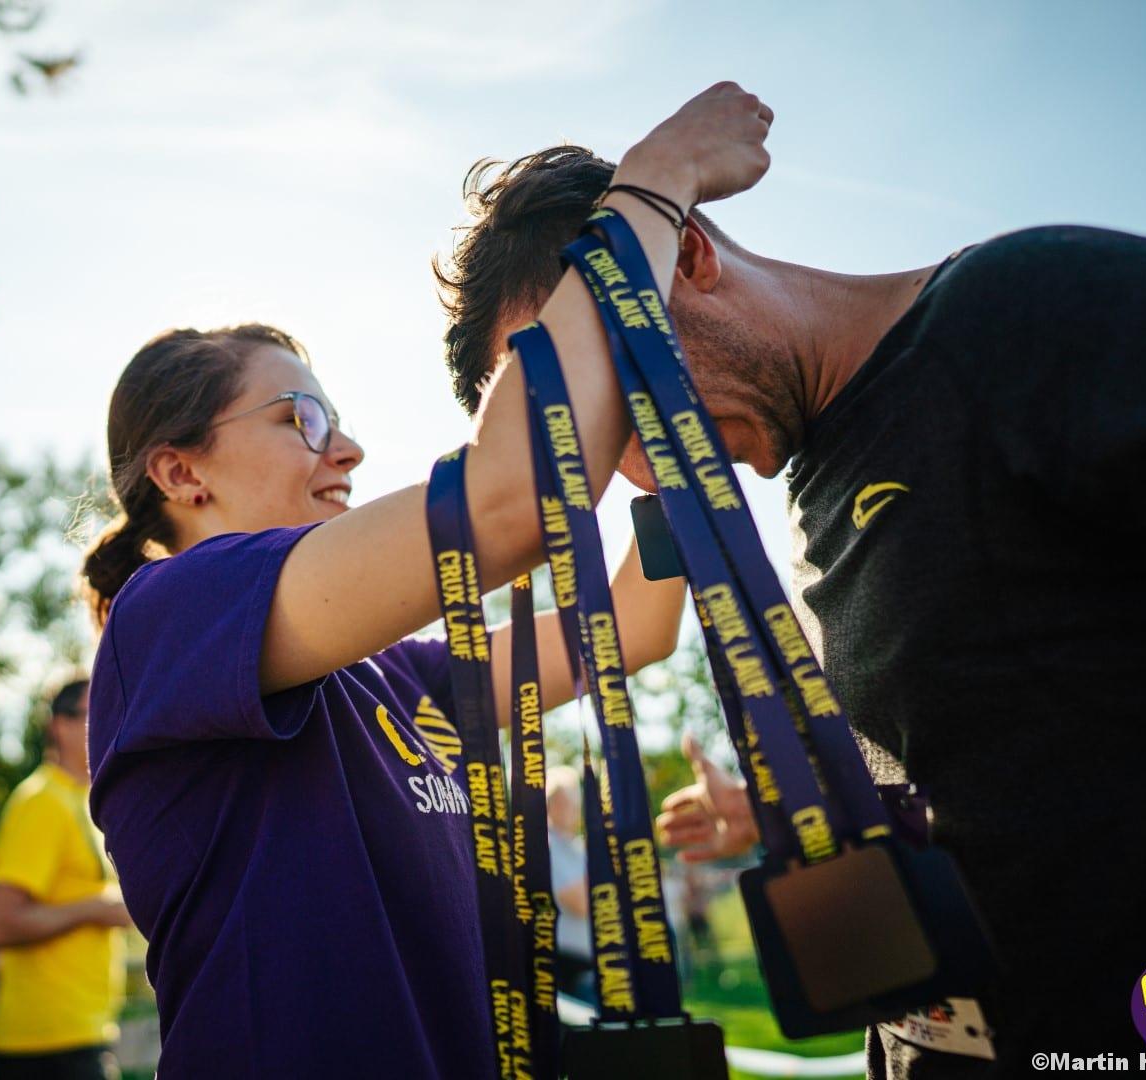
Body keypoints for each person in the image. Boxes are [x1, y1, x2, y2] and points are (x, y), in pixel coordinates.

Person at [434, 141, 1146, 1072]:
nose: (632, 470)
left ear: (690, 257)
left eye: (618, 406)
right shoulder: (800, 476)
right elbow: (1019, 733)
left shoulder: (1040, 307)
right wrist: (795, 808)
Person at [82, 81, 770, 1078]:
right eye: (302, 422)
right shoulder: (167, 620)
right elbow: (514, 504)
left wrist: (665, 459)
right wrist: (655, 185)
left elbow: (629, 629)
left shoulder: (390, 679)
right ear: (182, 472)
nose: (349, 449)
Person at [0, 680, 131, 1080]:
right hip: (44, 1046)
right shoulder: (42, 801)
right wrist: (95, 909)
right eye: (94, 711)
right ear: (59, 725)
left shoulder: (82, 798)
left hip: (79, 1032)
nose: (111, 720)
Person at [543, 766, 593, 1002]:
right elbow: (581, 904)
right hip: (566, 965)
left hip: (586, 961)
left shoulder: (575, 847)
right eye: (566, 802)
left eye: (575, 802)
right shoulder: (548, 847)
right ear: (549, 805)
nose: (574, 810)